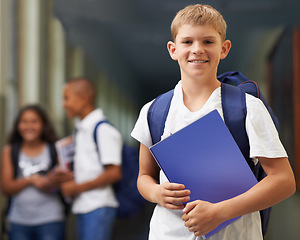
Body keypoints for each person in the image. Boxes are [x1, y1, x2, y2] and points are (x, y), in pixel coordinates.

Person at [131, 4, 296, 240]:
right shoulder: (154, 111)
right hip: (167, 234)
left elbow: (284, 181)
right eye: (187, 42)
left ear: (224, 48)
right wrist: (157, 192)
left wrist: (220, 212)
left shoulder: (247, 108)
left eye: (208, 42)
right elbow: (143, 177)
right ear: (173, 49)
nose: (197, 49)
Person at [61, 77, 122, 240]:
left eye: (66, 98)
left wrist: (77, 188)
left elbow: (114, 173)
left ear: (83, 99)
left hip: (98, 206)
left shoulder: (103, 130)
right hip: (84, 206)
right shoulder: (81, 130)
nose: (63, 104)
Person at [1, 104, 73, 240]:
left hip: (51, 219)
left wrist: (51, 181)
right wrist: (31, 180)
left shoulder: (54, 149)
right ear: (18, 125)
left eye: (34, 121)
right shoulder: (10, 151)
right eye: (24, 121)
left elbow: (65, 184)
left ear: (43, 125)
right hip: (19, 221)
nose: (29, 126)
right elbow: (6, 188)